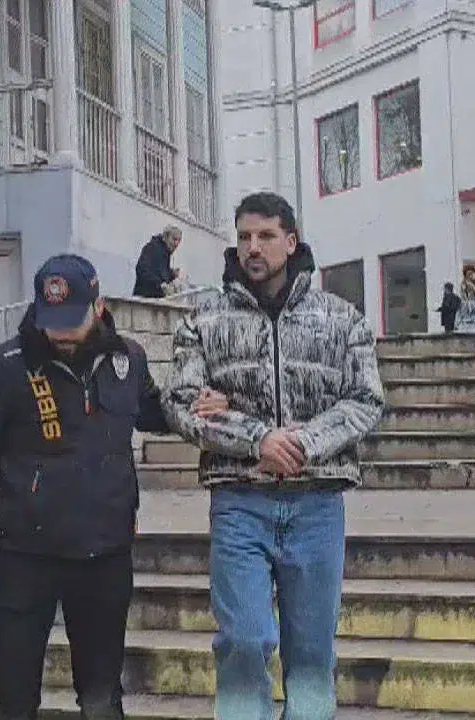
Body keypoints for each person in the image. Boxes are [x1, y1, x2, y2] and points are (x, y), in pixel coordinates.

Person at [0, 253, 227, 719]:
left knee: (101, 697)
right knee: (12, 698)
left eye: (72, 320)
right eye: (52, 321)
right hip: (24, 556)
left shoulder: (127, 358)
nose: (61, 332)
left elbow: (153, 411)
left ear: (98, 306)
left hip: (104, 555)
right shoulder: (4, 368)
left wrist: (195, 405)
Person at [161, 192, 386, 720]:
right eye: (244, 237)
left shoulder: (341, 318)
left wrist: (302, 444)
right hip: (240, 502)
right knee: (242, 640)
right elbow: (180, 402)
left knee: (311, 654)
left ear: (291, 240)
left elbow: (366, 399)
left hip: (317, 503)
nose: (253, 247)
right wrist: (257, 438)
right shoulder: (204, 321)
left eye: (265, 236)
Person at [133, 225, 184, 298]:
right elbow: (142, 270)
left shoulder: (165, 253)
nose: (176, 244)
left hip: (153, 298)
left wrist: (172, 274)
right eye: (174, 239)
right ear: (165, 237)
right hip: (144, 297)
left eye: (179, 241)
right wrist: (160, 285)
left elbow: (160, 273)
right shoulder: (152, 248)